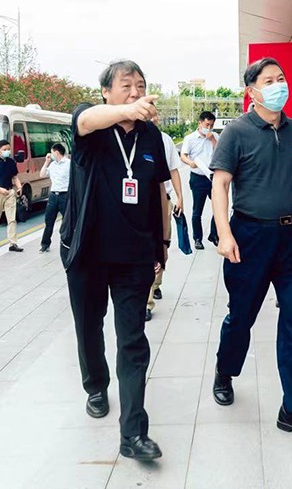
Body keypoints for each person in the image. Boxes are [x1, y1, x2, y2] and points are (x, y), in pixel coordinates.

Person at [210, 57, 292, 443]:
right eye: (269, 80)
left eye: (281, 78)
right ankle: (225, 371)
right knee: (241, 317)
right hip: (250, 238)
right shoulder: (237, 132)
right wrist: (224, 234)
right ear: (252, 91)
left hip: (291, 240)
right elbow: (220, 184)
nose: (279, 85)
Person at [59, 60, 170, 461]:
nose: (136, 92)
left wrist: (162, 245)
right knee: (89, 328)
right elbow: (85, 120)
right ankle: (95, 386)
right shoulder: (91, 125)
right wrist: (125, 110)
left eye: (141, 85)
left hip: (134, 257)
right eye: (126, 85)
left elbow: (157, 192)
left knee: (133, 340)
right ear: (106, 92)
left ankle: (133, 433)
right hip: (87, 253)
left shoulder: (151, 135)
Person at [146, 125, 184, 321]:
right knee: (147, 251)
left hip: (163, 201)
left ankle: (156, 284)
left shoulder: (165, 140)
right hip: (139, 204)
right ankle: (147, 302)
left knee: (162, 246)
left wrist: (180, 197)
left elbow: (173, 170)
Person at [181, 111, 219, 249]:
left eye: (211, 125)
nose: (209, 128)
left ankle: (214, 234)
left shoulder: (215, 137)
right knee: (197, 210)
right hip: (198, 177)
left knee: (218, 207)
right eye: (207, 124)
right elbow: (183, 155)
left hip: (213, 177)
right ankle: (197, 238)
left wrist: (212, 139)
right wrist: (190, 163)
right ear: (200, 122)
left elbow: (220, 152)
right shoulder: (190, 138)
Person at [39, 143, 71, 253]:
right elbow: (42, 175)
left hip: (65, 195)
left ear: (56, 152)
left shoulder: (69, 164)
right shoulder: (52, 165)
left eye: (52, 152)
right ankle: (45, 244)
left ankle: (66, 242)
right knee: (49, 220)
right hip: (53, 196)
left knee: (67, 221)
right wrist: (46, 162)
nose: (50, 154)